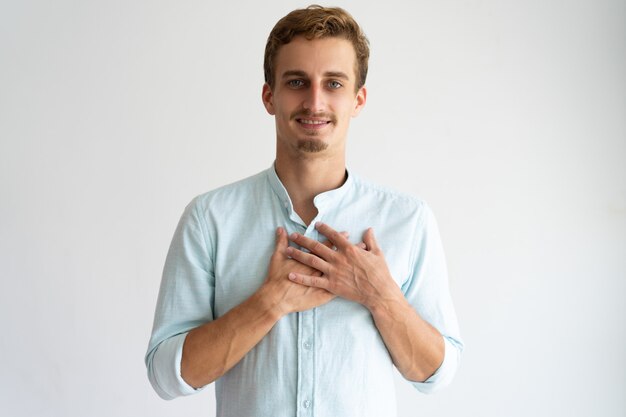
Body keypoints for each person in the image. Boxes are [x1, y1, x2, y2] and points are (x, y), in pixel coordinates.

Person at [145, 5, 463, 417]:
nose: (315, 101)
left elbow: (438, 374)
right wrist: (269, 303)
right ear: (269, 96)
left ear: (358, 100)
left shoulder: (408, 220)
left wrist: (380, 297)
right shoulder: (210, 219)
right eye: (297, 82)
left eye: (333, 83)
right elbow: (166, 377)